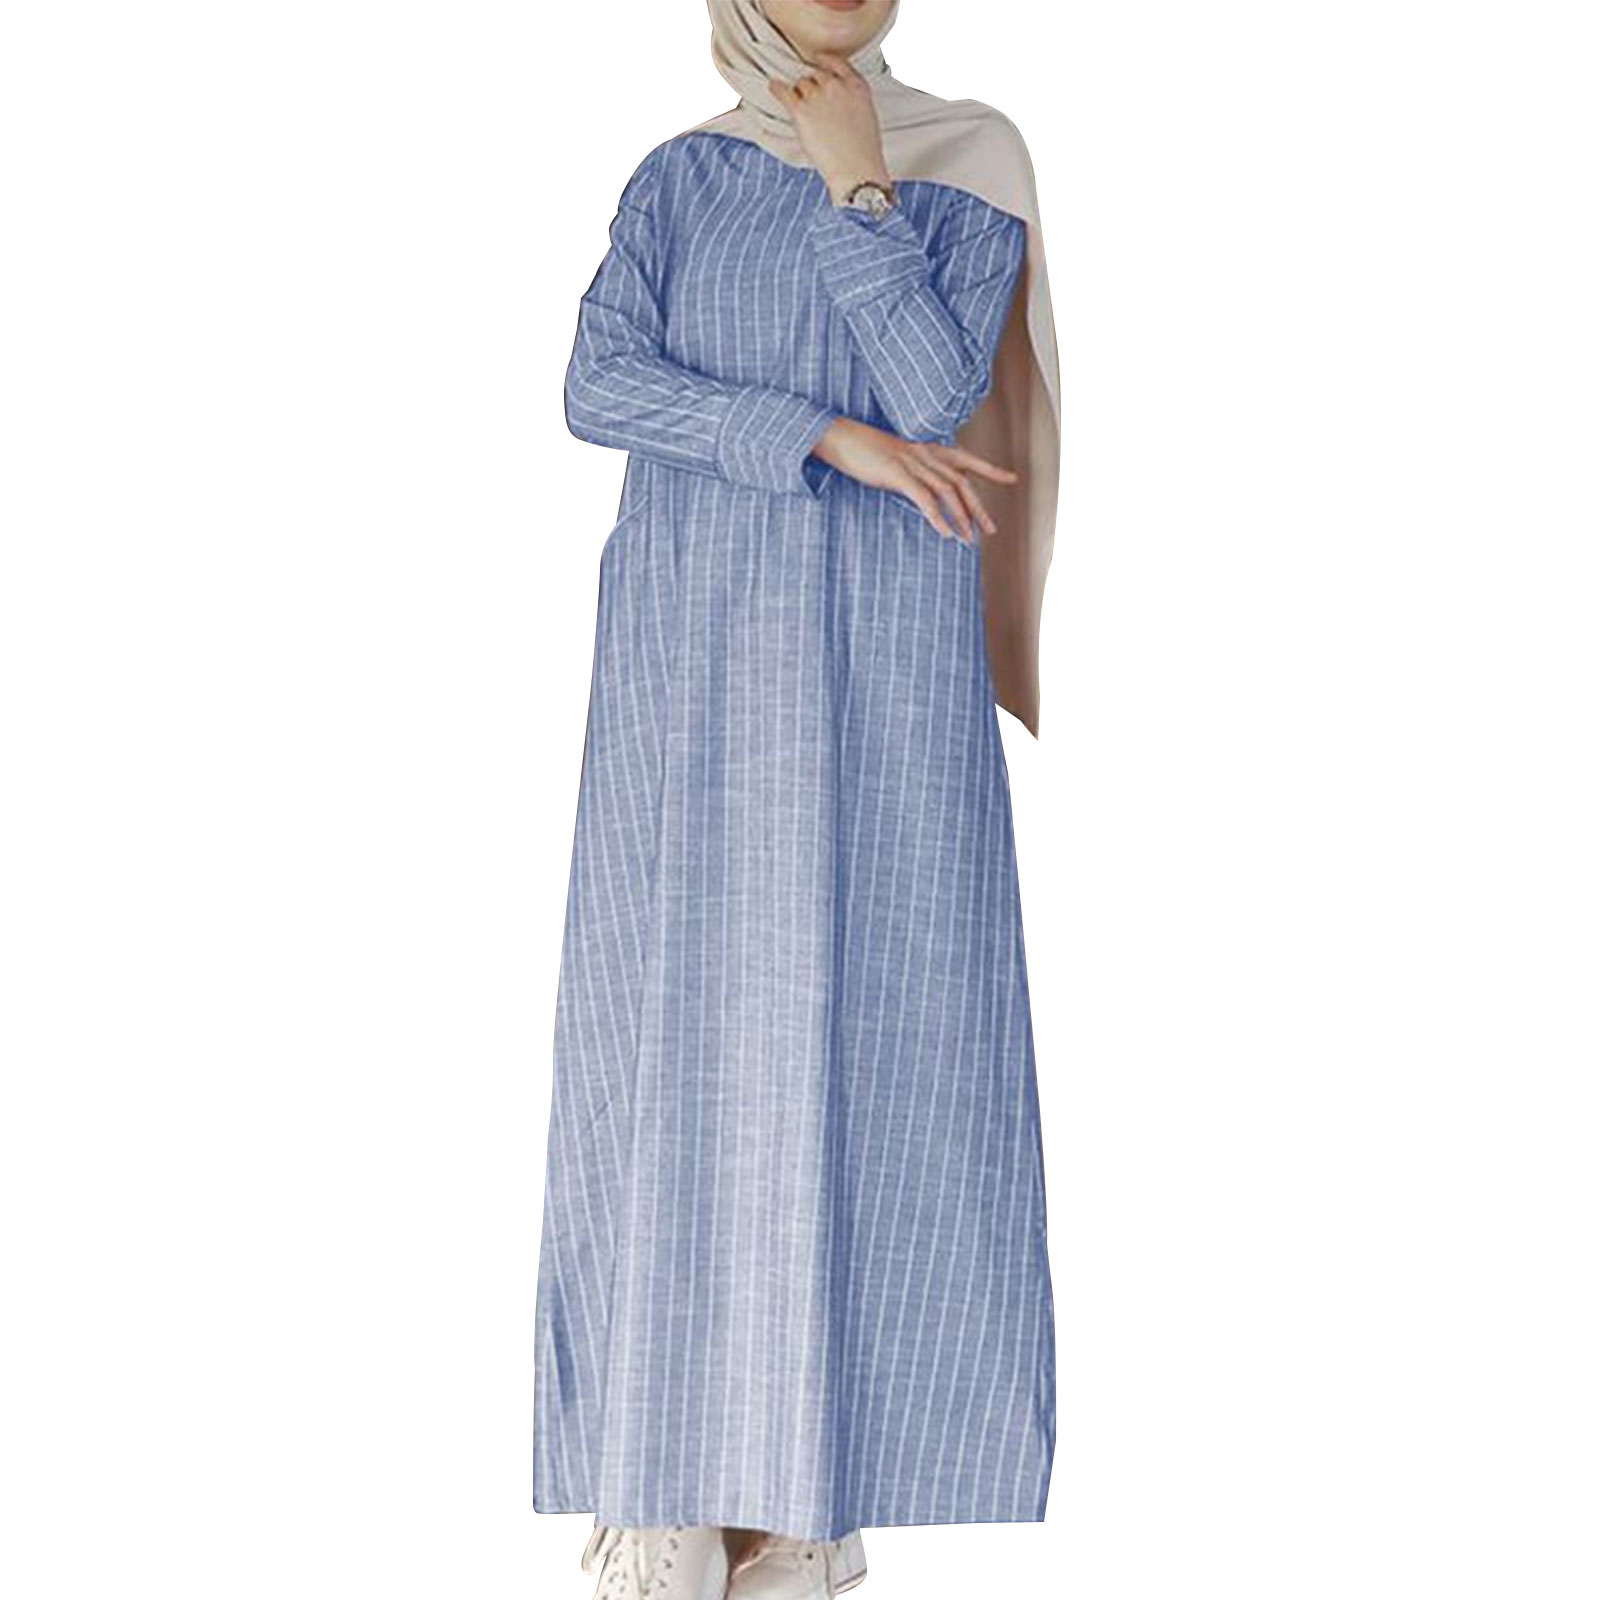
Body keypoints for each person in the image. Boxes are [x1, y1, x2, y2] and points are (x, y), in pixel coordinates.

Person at [532, 4, 1062, 1596]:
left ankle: (808, 1503)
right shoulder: (680, 180)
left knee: (875, 1042)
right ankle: (661, 1484)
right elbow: (598, 384)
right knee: (670, 1045)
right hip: (690, 666)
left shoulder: (967, 160)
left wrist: (857, 185)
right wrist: (815, 434)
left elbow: (934, 389)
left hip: (882, 669)